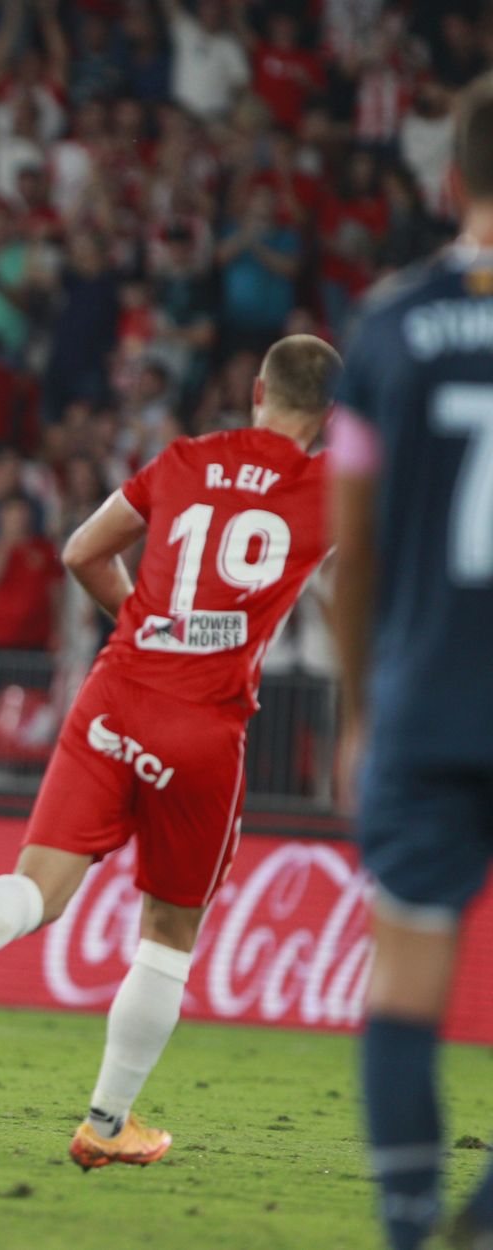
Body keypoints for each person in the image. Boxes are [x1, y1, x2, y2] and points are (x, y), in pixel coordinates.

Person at [0, 334, 342, 1170]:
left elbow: (80, 552)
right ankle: (105, 1123)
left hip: (118, 694)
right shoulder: (331, 490)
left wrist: (144, 620)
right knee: (166, 936)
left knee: (36, 888)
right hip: (203, 730)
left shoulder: (184, 458)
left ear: (256, 394)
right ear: (327, 416)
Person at [330, 74, 493, 1250]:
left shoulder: (387, 322)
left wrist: (353, 713)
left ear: (450, 181)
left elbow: (352, 544)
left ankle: (405, 1228)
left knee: (403, 978)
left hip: (428, 704)